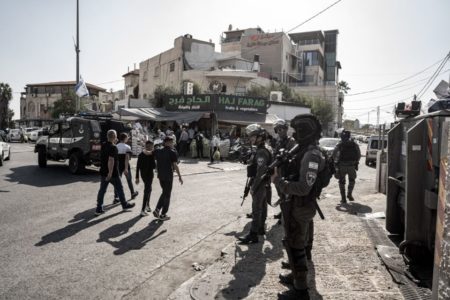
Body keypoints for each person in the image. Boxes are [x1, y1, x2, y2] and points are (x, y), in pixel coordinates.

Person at [271, 114, 325, 299]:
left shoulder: (312, 155)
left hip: (301, 206)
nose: (295, 134)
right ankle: (295, 275)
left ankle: (300, 290)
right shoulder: (301, 149)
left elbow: (303, 188)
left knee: (296, 246)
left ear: (305, 133)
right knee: (291, 241)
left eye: (298, 131)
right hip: (293, 204)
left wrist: (279, 182)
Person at [238, 124, 272, 244]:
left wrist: (254, 187)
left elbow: (260, 172)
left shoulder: (262, 151)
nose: (251, 139)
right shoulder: (262, 149)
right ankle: (261, 229)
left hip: (260, 184)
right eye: (250, 136)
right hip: (264, 183)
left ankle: (253, 234)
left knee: (256, 209)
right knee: (262, 207)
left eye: (253, 136)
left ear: (260, 137)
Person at [96, 129, 135, 216]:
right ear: (114, 137)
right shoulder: (114, 147)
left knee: (102, 190)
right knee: (119, 188)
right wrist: (110, 173)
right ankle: (124, 205)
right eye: (116, 136)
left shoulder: (103, 145)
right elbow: (111, 160)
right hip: (112, 173)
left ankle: (99, 208)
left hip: (103, 171)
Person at [153, 135, 183, 221]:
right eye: (171, 142)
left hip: (160, 176)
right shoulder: (172, 152)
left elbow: (150, 153)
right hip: (168, 176)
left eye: (172, 142)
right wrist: (180, 176)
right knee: (167, 194)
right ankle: (160, 211)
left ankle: (160, 212)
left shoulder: (158, 151)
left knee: (165, 192)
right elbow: (175, 165)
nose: (172, 143)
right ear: (167, 142)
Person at [272, 119, 297, 220]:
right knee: (280, 193)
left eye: (281, 129)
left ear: (286, 129)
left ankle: (287, 214)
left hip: (287, 171)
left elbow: (293, 157)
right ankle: (283, 211)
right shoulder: (278, 141)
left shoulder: (291, 141)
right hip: (278, 170)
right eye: (278, 130)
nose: (279, 131)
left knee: (287, 193)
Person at [332, 130, 361, 204]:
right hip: (351, 166)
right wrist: (356, 162)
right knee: (352, 180)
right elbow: (359, 154)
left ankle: (343, 198)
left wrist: (335, 162)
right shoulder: (354, 144)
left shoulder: (340, 144)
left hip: (342, 166)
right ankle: (349, 194)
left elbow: (334, 153)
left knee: (341, 182)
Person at [114, 133, 138, 203]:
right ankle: (132, 193)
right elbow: (127, 158)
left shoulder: (116, 146)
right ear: (125, 138)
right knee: (129, 180)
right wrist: (126, 168)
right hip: (125, 165)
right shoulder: (127, 147)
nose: (128, 139)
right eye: (127, 137)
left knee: (117, 182)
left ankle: (116, 197)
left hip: (118, 165)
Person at [135, 140, 156, 217]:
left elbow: (154, 166)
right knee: (147, 190)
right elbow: (138, 166)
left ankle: (147, 205)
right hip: (145, 175)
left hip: (150, 174)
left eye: (151, 146)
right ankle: (142, 210)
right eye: (149, 146)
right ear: (146, 145)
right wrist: (137, 177)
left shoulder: (152, 154)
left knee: (149, 189)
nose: (150, 147)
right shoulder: (141, 155)